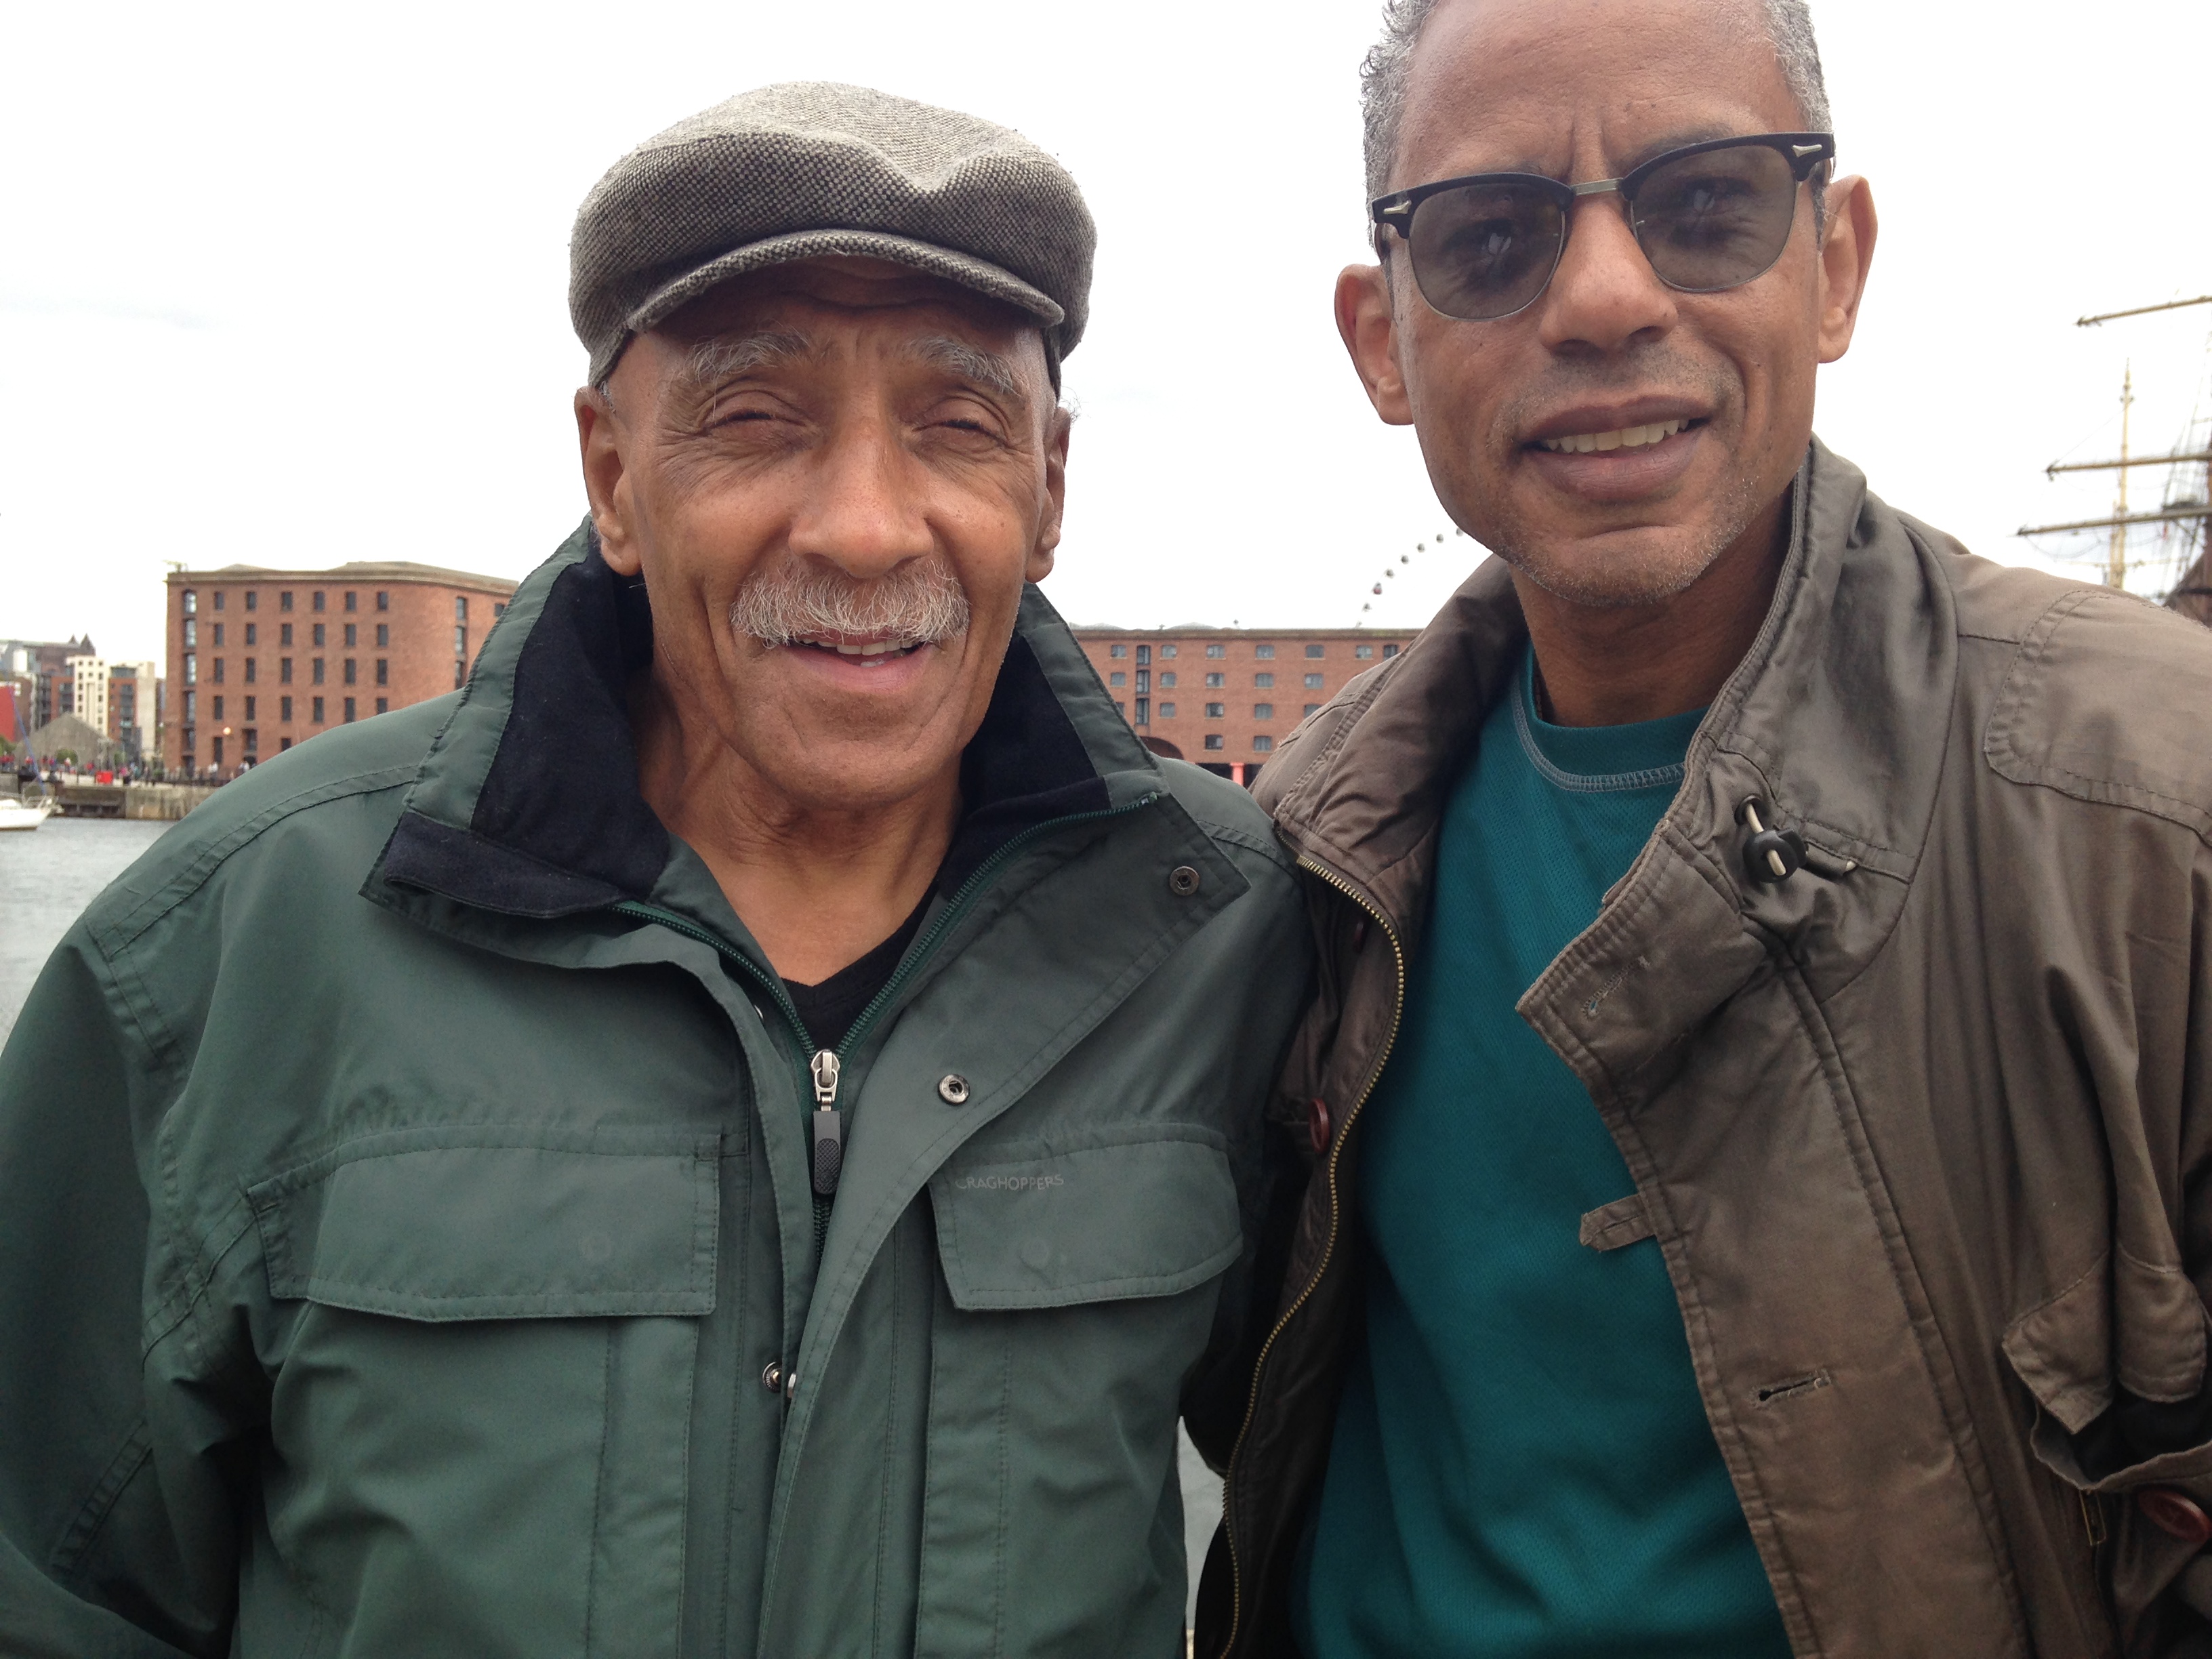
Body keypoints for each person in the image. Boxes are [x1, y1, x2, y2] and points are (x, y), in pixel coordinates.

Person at [0, 83, 1309, 1656]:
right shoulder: (244, 941)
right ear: (614, 476)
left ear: (1048, 488)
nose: (865, 527)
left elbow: (1371, 1506)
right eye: (756, 418)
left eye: (959, 426)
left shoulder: (1218, 935)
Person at [1193, 1, 2212, 1656]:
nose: (1605, 299)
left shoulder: (2154, 817)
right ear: (1381, 340)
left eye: (1710, 204)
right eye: (1492, 236)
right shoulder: (1300, 857)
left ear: (1838, 261)